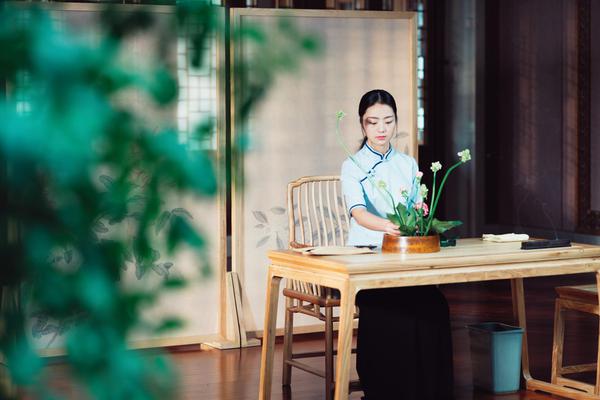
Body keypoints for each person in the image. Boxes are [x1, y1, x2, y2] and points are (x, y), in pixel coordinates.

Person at [340, 89, 454, 400]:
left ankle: (429, 390)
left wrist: (422, 221)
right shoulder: (353, 165)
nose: (381, 129)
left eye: (387, 121)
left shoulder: (407, 163)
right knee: (391, 309)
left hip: (405, 256)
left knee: (434, 306)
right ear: (362, 125)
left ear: (396, 123)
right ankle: (384, 390)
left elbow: (420, 208)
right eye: (372, 122)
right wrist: (388, 227)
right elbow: (358, 214)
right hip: (369, 255)